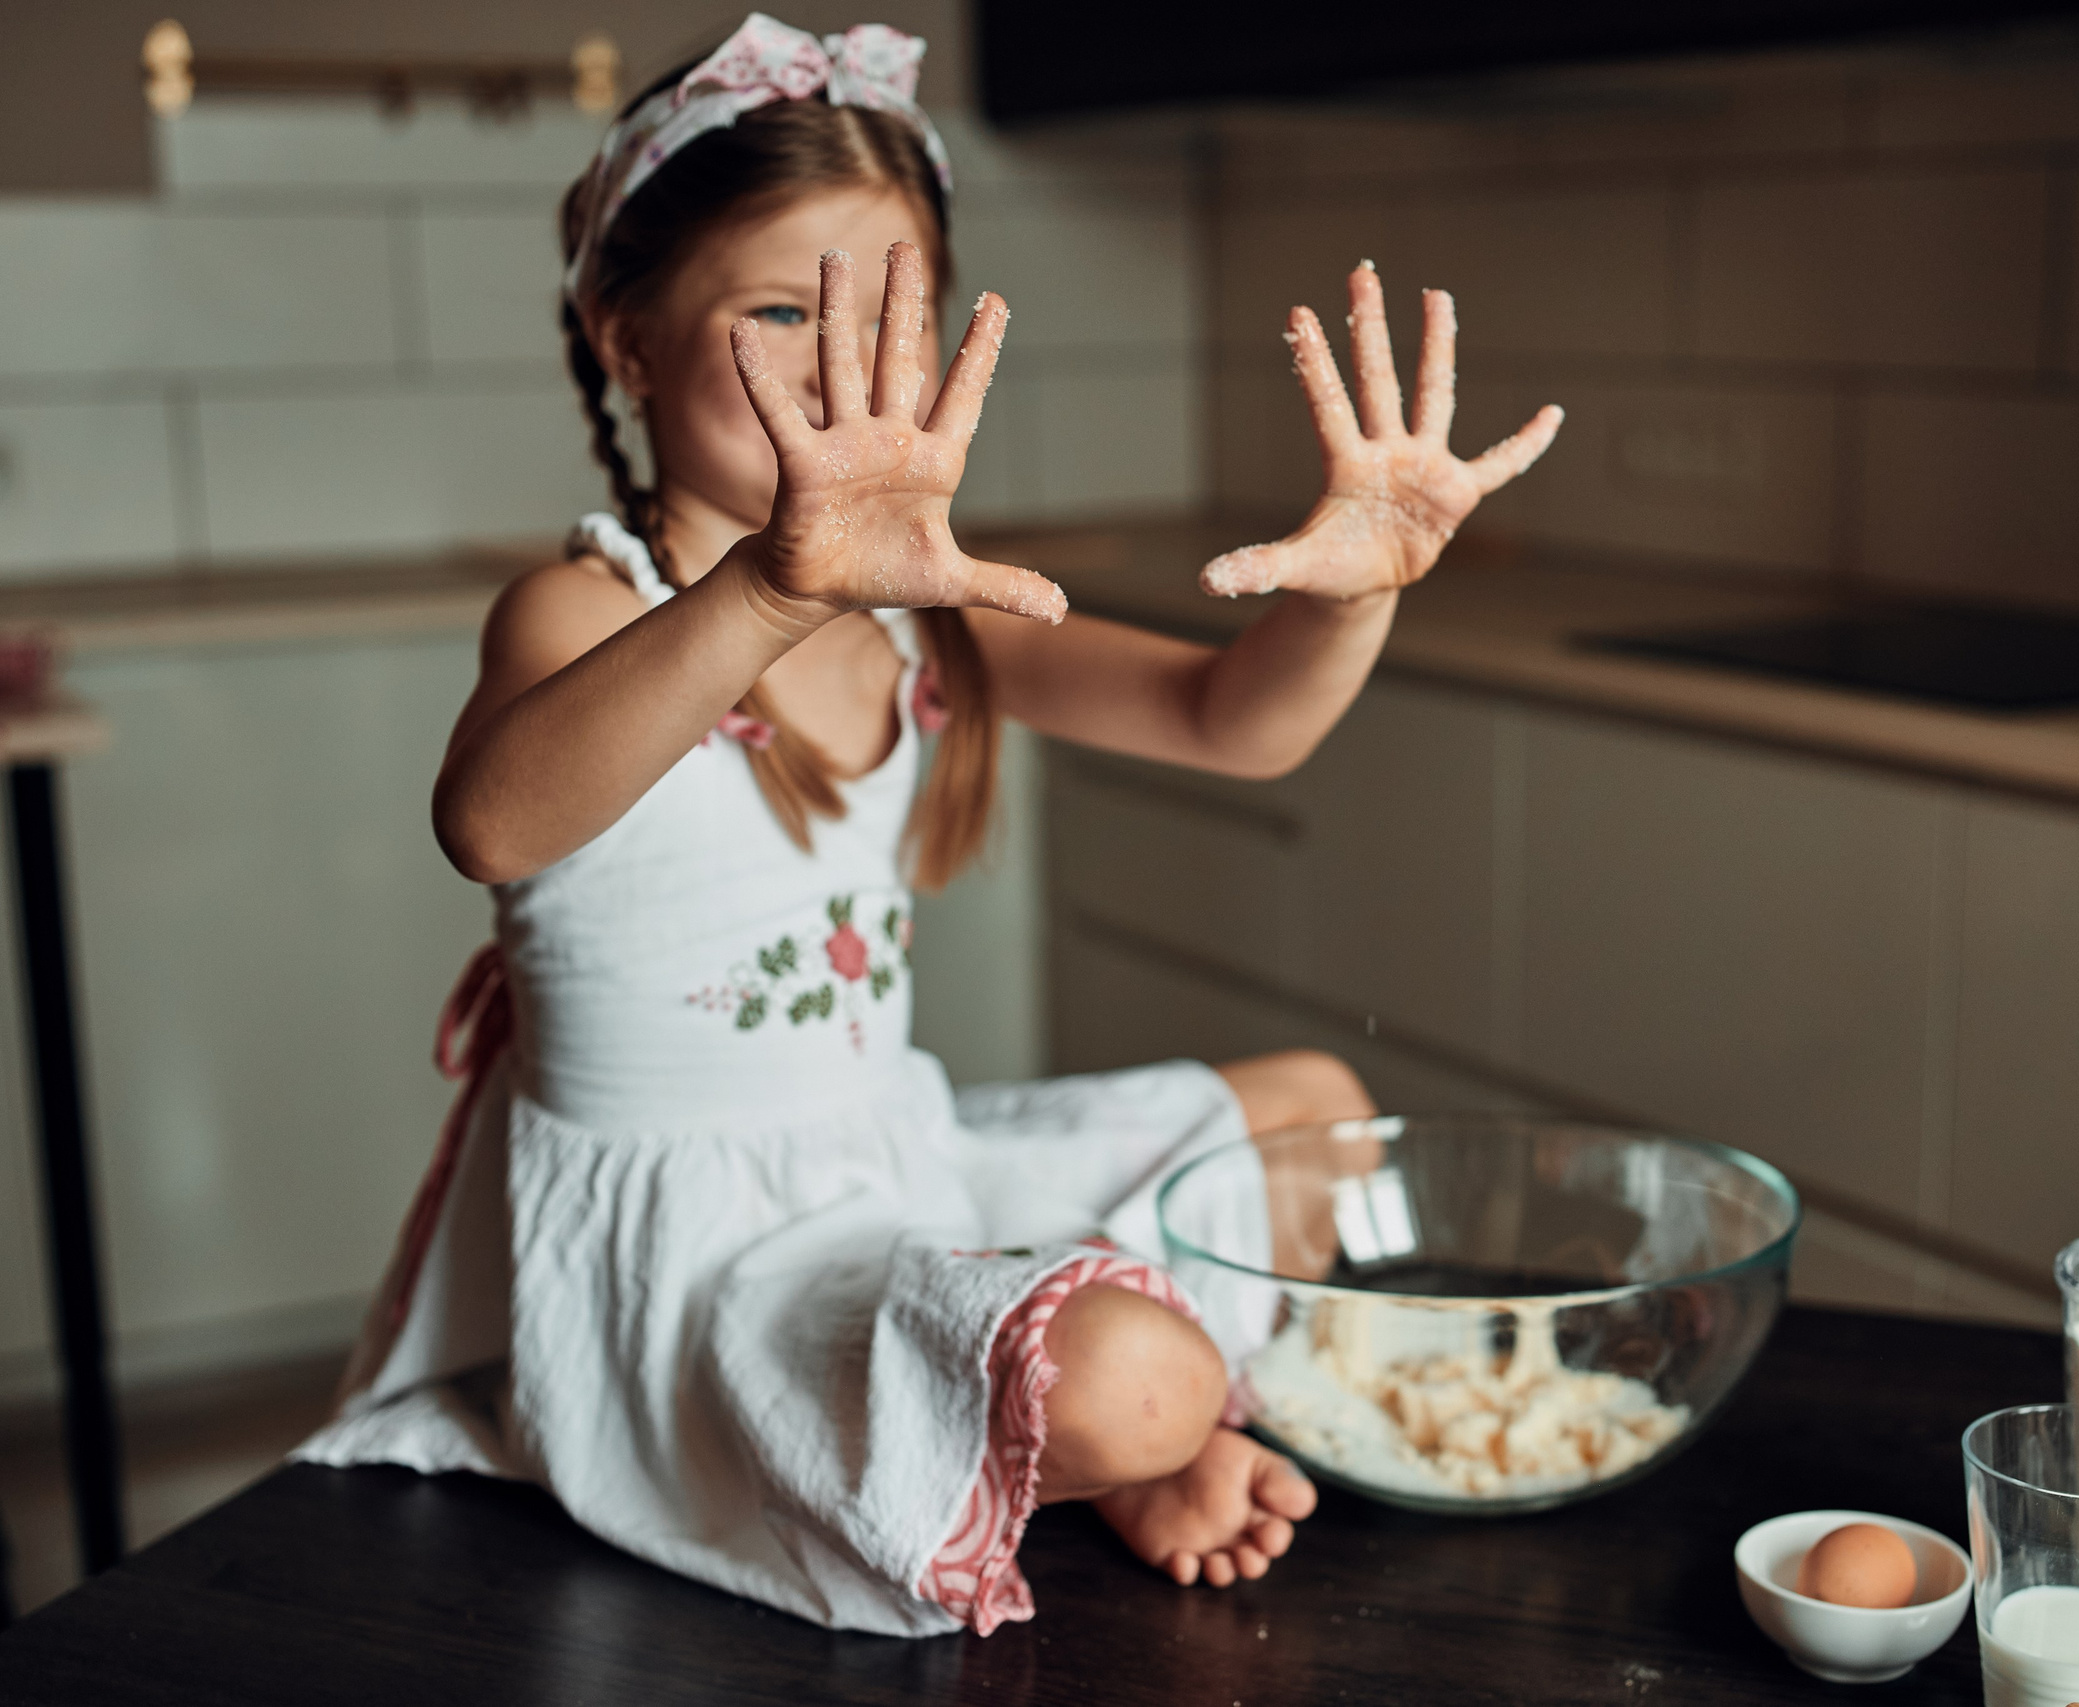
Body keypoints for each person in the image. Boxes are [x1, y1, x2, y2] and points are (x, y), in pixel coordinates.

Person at [297, 13, 1563, 1639]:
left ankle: (1069, 1433)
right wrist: (768, 587)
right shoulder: (584, 605)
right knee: (1141, 1380)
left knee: (1312, 1106)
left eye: (883, 329)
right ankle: (1113, 1452)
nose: (839, 383)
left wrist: (1356, 596)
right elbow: (492, 822)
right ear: (627, 336)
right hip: (697, 1279)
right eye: (776, 316)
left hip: (887, 1168)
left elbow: (1234, 723)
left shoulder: (919, 625)